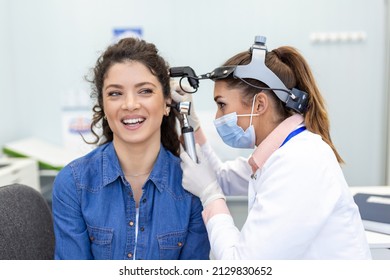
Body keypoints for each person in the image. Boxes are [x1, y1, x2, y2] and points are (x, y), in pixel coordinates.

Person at [173, 36, 371, 259]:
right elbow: (220, 178)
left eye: (222, 105)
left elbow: (241, 267)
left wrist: (210, 196)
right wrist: (193, 124)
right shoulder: (281, 153)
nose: (218, 117)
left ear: (259, 105)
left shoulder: (300, 162)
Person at [52, 37, 210, 260]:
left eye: (145, 91)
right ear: (103, 106)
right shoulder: (73, 183)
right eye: (115, 93)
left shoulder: (193, 187)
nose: (130, 104)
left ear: (167, 103)